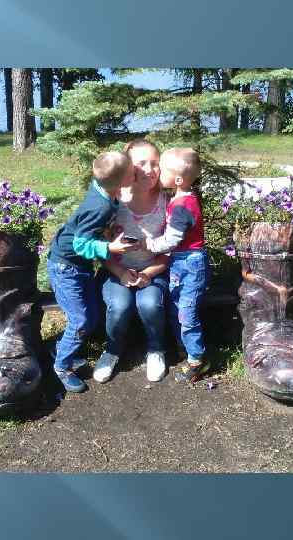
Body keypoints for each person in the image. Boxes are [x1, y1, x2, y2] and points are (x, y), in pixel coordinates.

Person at [47, 151, 137, 393]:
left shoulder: (105, 191)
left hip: (79, 266)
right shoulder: (99, 206)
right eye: (132, 171)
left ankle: (61, 349)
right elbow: (80, 245)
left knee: (92, 314)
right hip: (65, 267)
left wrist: (108, 233)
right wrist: (110, 247)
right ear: (121, 181)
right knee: (81, 320)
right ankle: (61, 366)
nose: (136, 172)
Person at [94, 140, 171, 383]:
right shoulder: (114, 201)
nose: (149, 169)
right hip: (116, 270)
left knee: (150, 304)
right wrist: (120, 272)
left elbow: (171, 249)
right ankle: (112, 350)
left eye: (155, 163)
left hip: (154, 271)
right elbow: (101, 247)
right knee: (119, 305)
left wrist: (149, 272)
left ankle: (156, 349)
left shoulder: (167, 201)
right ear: (127, 168)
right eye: (141, 163)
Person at [144, 147, 210, 383]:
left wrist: (150, 245)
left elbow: (172, 239)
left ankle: (198, 360)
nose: (158, 174)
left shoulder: (183, 205)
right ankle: (185, 348)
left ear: (179, 180)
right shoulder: (180, 199)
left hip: (190, 263)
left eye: (163, 171)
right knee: (176, 307)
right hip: (180, 262)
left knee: (187, 313)